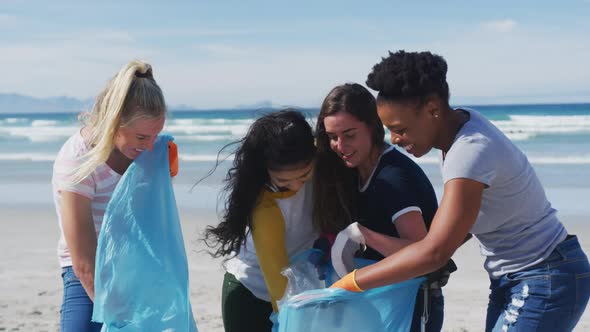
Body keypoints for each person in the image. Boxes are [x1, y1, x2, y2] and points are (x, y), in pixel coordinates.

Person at [331, 50, 590, 331]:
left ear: (433, 109)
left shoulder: (469, 151)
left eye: (400, 129)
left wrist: (350, 283)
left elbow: (435, 253)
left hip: (544, 274)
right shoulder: (459, 128)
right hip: (515, 276)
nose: (394, 139)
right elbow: (454, 230)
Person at [314, 83, 447, 332]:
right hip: (381, 302)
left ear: (373, 126)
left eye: (349, 135)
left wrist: (365, 236)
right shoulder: (354, 170)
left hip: (413, 306)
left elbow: (422, 252)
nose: (340, 146)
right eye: (333, 137)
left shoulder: (393, 178)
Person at [52, 60, 169, 331]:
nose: (150, 145)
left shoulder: (149, 150)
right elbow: (82, 260)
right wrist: (115, 317)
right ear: (114, 122)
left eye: (156, 134)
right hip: (87, 267)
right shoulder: (79, 159)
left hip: (136, 263)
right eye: (142, 137)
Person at [204, 110, 318, 332]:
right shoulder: (264, 205)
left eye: (304, 175)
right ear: (265, 170)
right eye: (284, 181)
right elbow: (279, 282)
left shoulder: (323, 168)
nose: (296, 186)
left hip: (299, 288)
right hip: (250, 295)